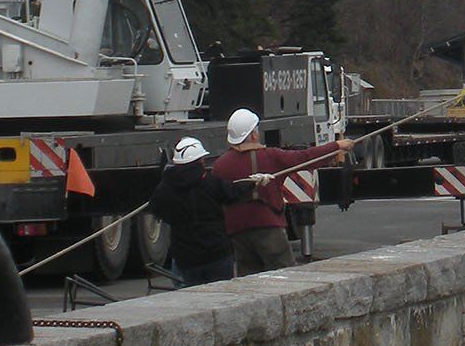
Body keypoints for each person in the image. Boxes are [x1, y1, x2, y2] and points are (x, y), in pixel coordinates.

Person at [211, 107, 353, 274]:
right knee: (284, 275)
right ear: (254, 134)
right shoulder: (271, 156)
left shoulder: (220, 165)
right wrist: (336, 146)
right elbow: (306, 158)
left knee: (249, 280)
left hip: (237, 233)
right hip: (268, 229)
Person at [148, 136, 243, 287]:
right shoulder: (211, 183)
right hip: (216, 254)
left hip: (186, 258)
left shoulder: (165, 189)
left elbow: (156, 210)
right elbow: (233, 195)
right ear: (199, 161)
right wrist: (253, 183)